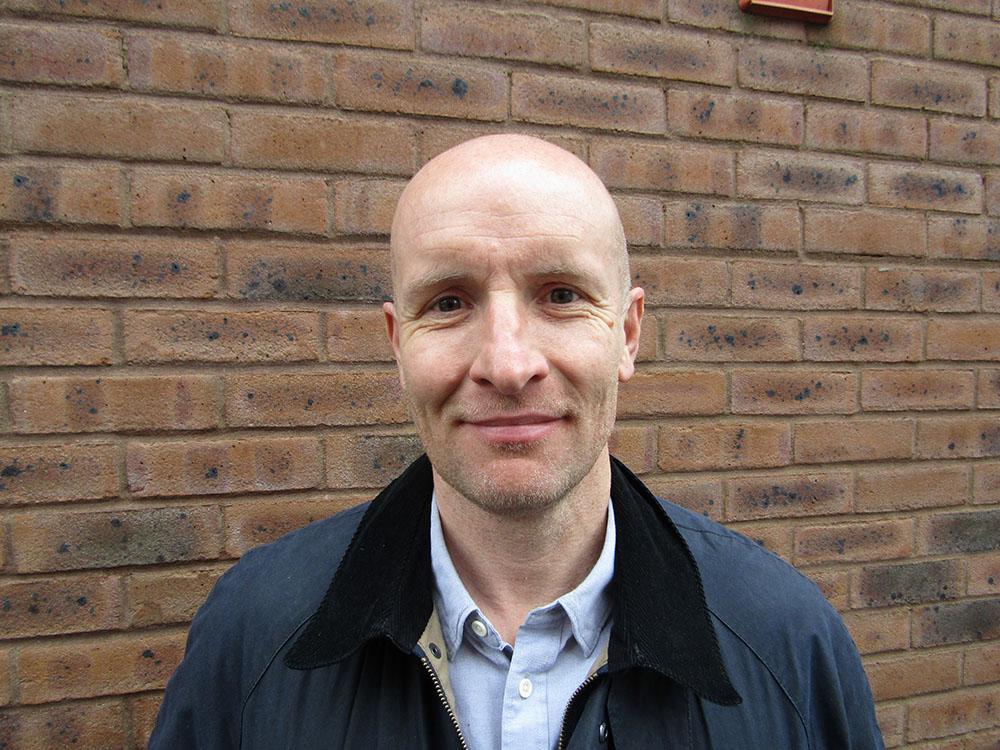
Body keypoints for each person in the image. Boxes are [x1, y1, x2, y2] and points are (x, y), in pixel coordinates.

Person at [149, 135, 884, 749]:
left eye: (561, 295)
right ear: (397, 343)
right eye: (448, 302)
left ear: (626, 334)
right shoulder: (253, 636)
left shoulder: (789, 643)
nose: (507, 364)